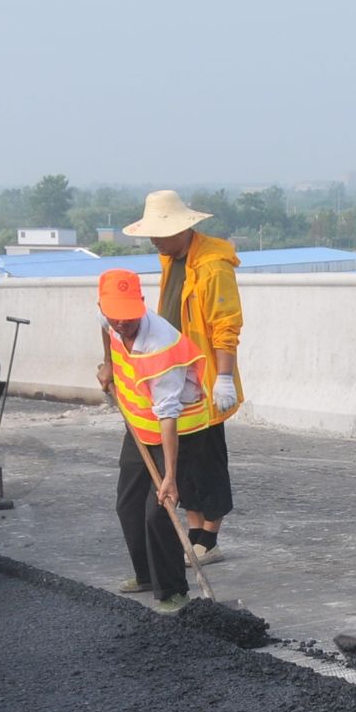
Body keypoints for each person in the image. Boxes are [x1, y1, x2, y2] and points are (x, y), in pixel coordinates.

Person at [122, 190, 242, 558]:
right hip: (174, 372)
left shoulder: (212, 266)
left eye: (160, 233)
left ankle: (210, 539)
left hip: (204, 379)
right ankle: (193, 534)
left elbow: (225, 325)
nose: (154, 241)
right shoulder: (172, 259)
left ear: (181, 228)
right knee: (186, 460)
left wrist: (223, 378)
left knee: (207, 460)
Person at [96, 267, 220, 613]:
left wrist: (169, 477)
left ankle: (174, 592)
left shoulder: (161, 343)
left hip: (180, 431)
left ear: (142, 304)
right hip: (140, 426)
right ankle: (148, 576)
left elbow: (169, 415)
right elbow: (106, 331)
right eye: (114, 315)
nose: (122, 323)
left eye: (129, 317)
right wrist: (108, 364)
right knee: (128, 505)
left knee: (159, 510)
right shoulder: (109, 316)